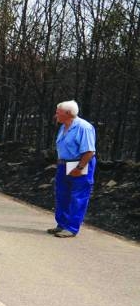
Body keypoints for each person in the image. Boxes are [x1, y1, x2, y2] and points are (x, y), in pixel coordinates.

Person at [49, 100, 97, 238]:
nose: (56, 115)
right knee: (62, 194)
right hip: (64, 164)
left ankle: (71, 227)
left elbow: (89, 151)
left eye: (58, 112)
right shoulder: (64, 126)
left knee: (77, 196)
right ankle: (61, 224)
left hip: (79, 163)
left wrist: (80, 167)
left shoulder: (84, 127)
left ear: (68, 113)